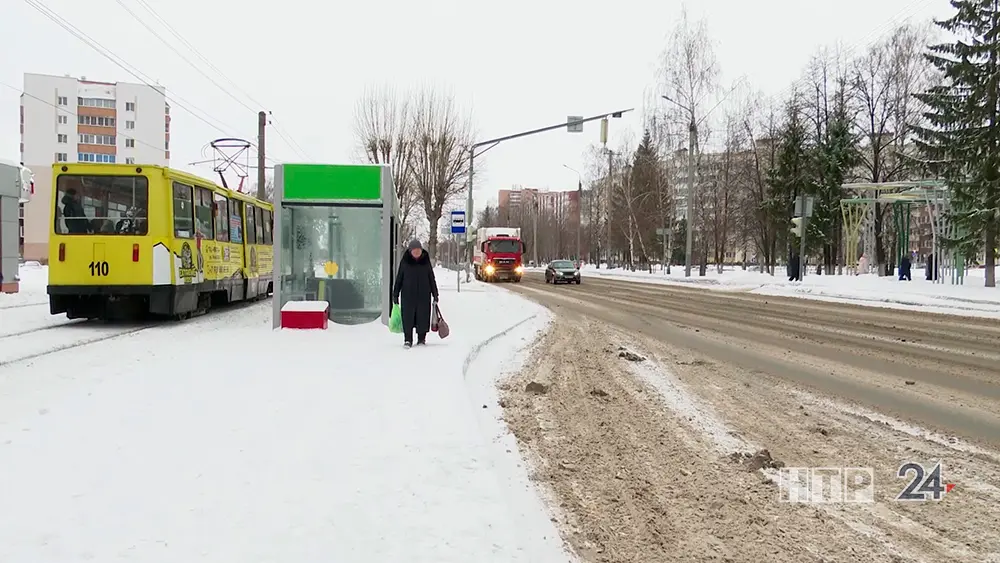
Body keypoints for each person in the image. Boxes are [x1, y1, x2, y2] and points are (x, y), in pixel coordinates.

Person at [392, 239, 439, 348]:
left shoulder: (425, 262)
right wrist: (395, 294)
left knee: (422, 317)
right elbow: (399, 279)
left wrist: (435, 294)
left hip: (423, 295)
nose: (417, 253)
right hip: (408, 296)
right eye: (415, 251)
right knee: (408, 318)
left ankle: (421, 339)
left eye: (419, 250)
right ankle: (408, 339)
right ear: (410, 251)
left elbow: (431, 278)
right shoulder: (405, 262)